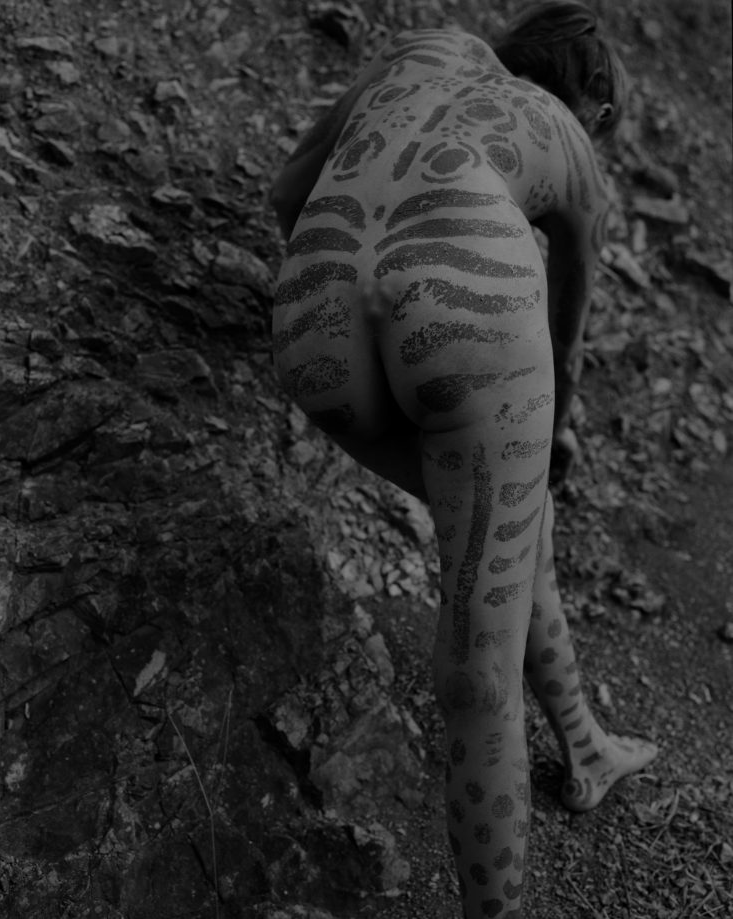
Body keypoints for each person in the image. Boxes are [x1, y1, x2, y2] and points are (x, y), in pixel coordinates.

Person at [270, 3, 658, 916]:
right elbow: (569, 330)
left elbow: (289, 193)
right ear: (598, 106)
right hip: (463, 310)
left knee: (511, 519)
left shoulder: (425, 48)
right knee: (479, 670)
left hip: (314, 317)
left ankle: (585, 744)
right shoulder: (570, 140)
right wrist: (556, 426)